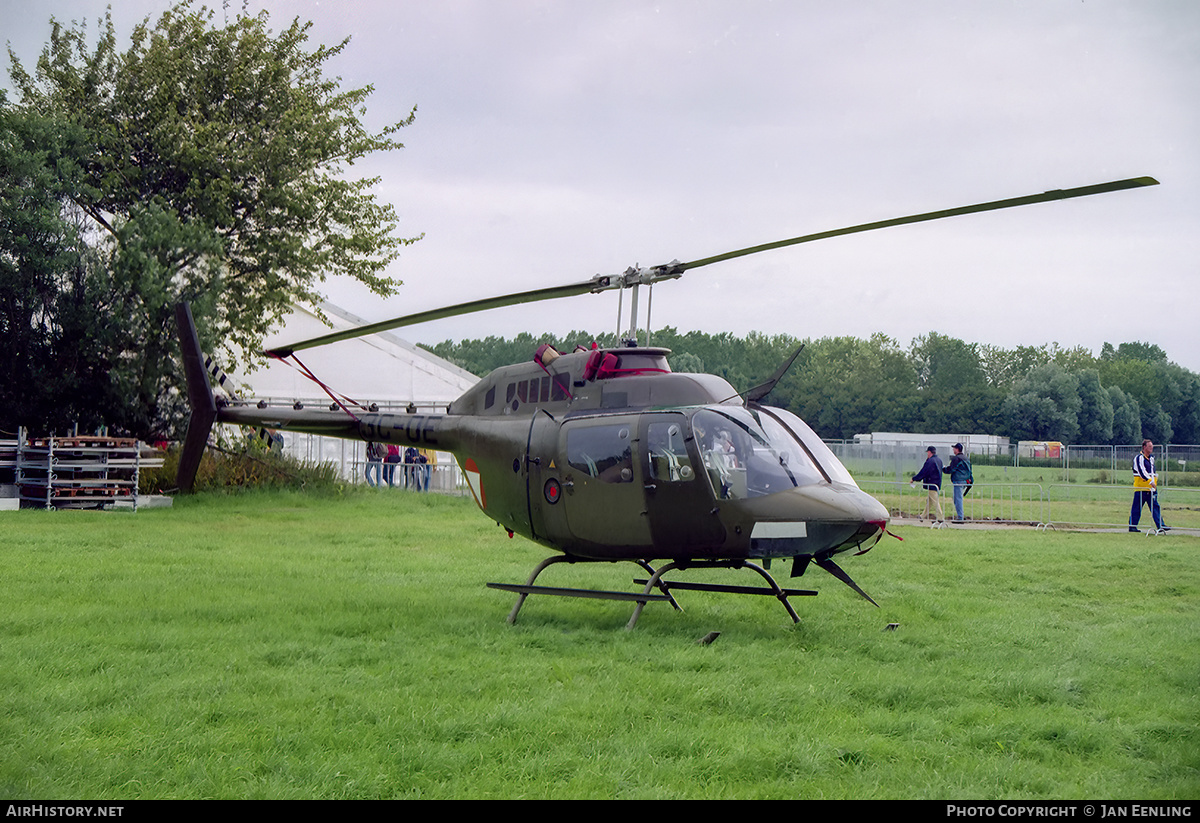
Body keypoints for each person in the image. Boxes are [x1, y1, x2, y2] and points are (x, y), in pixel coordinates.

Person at [1130, 439, 1168, 532]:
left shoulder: (1151, 458)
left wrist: (1154, 482)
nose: (1151, 448)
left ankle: (1161, 525)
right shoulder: (1139, 458)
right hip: (1141, 488)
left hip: (1151, 489)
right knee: (1137, 508)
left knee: (1155, 506)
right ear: (1144, 447)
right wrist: (1151, 481)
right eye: (1149, 446)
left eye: (1152, 446)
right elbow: (1142, 472)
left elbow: (1151, 472)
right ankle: (1132, 526)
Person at [911, 446, 944, 523]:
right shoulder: (939, 460)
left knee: (935, 501)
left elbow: (923, 472)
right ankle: (922, 516)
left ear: (929, 452)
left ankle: (940, 517)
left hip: (931, 484)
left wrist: (914, 478)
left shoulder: (930, 461)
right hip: (937, 483)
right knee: (929, 501)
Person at [943, 442, 973, 521]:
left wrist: (943, 469)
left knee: (958, 498)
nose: (953, 450)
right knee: (957, 498)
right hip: (965, 480)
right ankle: (960, 515)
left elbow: (951, 469)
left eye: (954, 448)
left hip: (958, 480)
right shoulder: (966, 458)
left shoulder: (956, 458)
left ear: (957, 449)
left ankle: (960, 517)